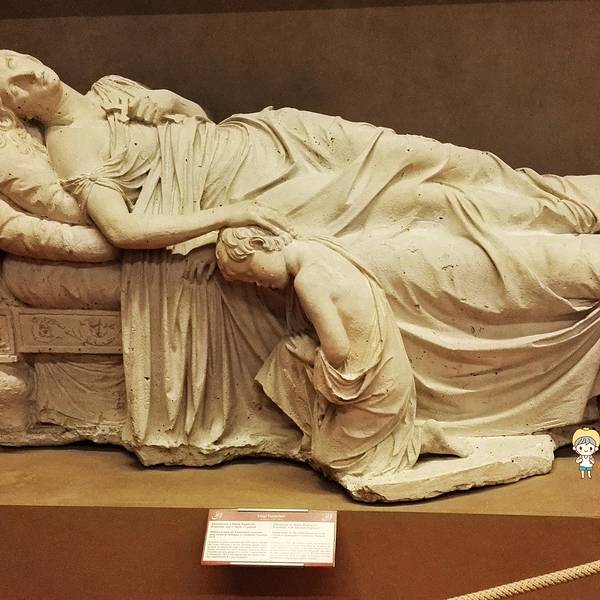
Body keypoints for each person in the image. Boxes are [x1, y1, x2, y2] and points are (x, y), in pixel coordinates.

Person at [1, 49, 600, 460]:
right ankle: (565, 236)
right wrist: (227, 215)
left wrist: (173, 106)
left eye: (12, 60)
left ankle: (566, 202)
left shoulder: (111, 89)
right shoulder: (71, 149)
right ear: (17, 112)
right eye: (12, 85)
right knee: (425, 204)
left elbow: (195, 121)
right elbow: (124, 230)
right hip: (247, 195)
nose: (24, 72)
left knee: (424, 161)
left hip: (266, 141)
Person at [216, 226, 468, 478]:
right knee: (285, 354)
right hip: (387, 373)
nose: (258, 283)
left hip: (377, 387)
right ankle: (327, 431)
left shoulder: (309, 281)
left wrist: (307, 353)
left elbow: (338, 351)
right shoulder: (319, 245)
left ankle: (417, 440)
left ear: (260, 244)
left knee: (331, 458)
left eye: (251, 273)